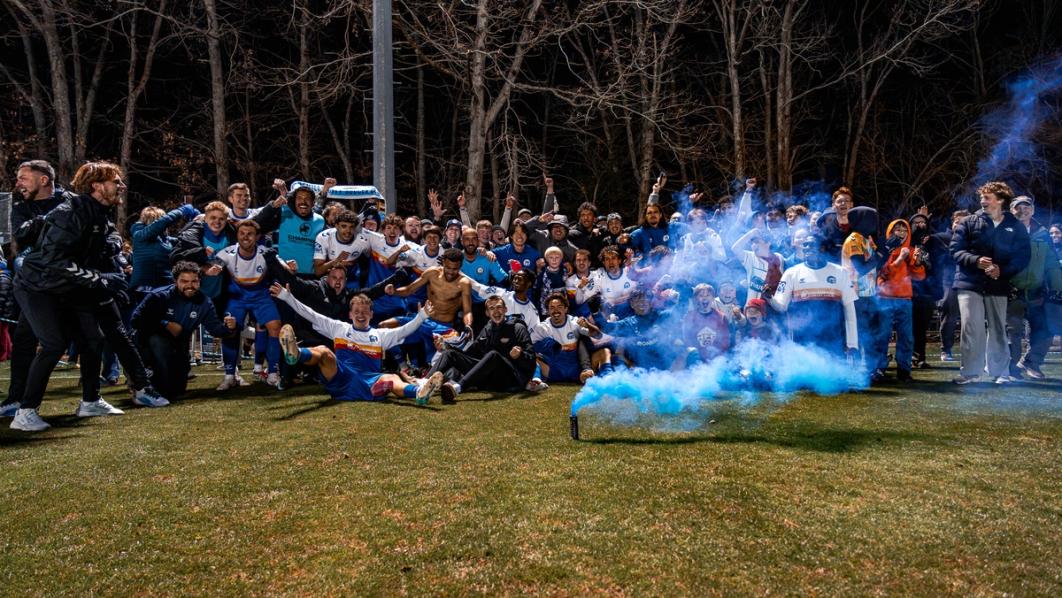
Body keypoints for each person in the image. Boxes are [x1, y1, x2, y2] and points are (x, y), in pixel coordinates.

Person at [10, 161, 164, 431]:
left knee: (93, 339)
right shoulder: (70, 212)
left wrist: (110, 256)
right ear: (97, 185)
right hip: (37, 286)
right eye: (116, 181)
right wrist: (102, 279)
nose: (122, 186)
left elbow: (106, 240)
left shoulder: (98, 212)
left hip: (66, 285)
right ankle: (24, 412)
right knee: (53, 344)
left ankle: (91, 401)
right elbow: (55, 262)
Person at [272, 285, 441, 403]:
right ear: (350, 314)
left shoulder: (379, 335)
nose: (361, 315)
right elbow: (311, 315)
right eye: (357, 312)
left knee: (392, 378)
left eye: (365, 312)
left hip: (369, 382)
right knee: (324, 352)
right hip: (341, 378)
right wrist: (287, 297)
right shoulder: (339, 328)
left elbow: (404, 330)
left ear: (371, 314)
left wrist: (422, 316)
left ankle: (419, 393)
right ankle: (296, 354)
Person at [949, 181, 1031, 385]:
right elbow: (955, 250)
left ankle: (1000, 372)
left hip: (998, 284)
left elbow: (1023, 256)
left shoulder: (1015, 226)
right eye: (982, 198)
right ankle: (970, 373)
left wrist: (1002, 270)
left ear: (1000, 200)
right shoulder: (968, 222)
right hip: (969, 283)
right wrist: (975, 260)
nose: (983, 201)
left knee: (998, 328)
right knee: (971, 327)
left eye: (987, 197)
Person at [131, 261, 239, 398]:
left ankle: (163, 381)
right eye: (184, 281)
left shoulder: (204, 302)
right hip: (147, 344)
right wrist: (166, 324)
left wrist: (230, 328)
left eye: (194, 281)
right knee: (159, 345)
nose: (190, 285)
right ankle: (143, 376)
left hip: (178, 346)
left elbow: (215, 329)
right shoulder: (159, 296)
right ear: (175, 281)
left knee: (178, 390)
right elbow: (136, 320)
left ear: (200, 281)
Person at [208, 220, 289, 390]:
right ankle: (230, 376)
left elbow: (282, 265)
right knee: (229, 329)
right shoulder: (227, 253)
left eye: (250, 234)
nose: (245, 237)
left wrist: (289, 266)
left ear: (257, 237)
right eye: (242, 233)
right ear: (237, 235)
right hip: (237, 298)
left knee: (275, 326)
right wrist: (212, 268)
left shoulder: (265, 252)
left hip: (261, 296)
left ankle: (273, 373)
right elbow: (215, 264)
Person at [429, 295, 539, 403]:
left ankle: (457, 388)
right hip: (489, 380)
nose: (496, 311)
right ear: (487, 313)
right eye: (492, 308)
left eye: (499, 307)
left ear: (505, 309)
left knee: (493, 355)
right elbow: (469, 355)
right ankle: (422, 385)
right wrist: (445, 347)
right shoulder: (487, 329)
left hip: (511, 380)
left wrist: (520, 355)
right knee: (450, 354)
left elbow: (532, 361)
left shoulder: (517, 328)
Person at [769, 234, 858, 357]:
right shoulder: (791, 273)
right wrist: (769, 297)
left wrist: (852, 343)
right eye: (805, 245)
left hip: (833, 340)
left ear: (822, 248)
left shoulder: (840, 272)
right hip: (803, 342)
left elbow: (850, 310)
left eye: (811, 244)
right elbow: (781, 306)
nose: (806, 248)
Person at [1005, 196, 1061, 380]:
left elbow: (1052, 262)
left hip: (1037, 292)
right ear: (1011, 210)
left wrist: (1058, 286)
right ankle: (1012, 369)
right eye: (1018, 207)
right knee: (1012, 332)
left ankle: (1031, 362)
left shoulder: (1043, 233)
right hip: (1011, 291)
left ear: (1033, 210)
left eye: (1026, 207)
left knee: (1044, 330)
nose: (1023, 210)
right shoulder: (1004, 231)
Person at [873, 219, 926, 382]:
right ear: (891, 231)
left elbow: (920, 276)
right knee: (882, 335)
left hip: (905, 299)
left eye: (904, 230)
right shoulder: (884, 249)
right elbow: (882, 273)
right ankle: (879, 368)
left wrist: (917, 262)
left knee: (906, 337)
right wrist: (899, 259)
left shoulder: (910, 250)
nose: (901, 233)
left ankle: (904, 370)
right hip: (884, 299)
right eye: (898, 230)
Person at [253, 178, 326, 276]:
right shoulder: (285, 213)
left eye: (307, 199)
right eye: (299, 198)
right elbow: (256, 225)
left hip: (310, 276)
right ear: (294, 202)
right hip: (284, 272)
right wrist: (273, 206)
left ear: (313, 203)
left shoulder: (320, 220)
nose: (303, 202)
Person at [530, 292, 599, 384]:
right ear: (548, 311)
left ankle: (588, 371)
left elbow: (598, 335)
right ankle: (536, 380)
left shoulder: (574, 322)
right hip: (555, 369)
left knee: (586, 340)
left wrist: (588, 325)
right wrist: (546, 346)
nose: (556, 311)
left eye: (559, 307)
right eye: (552, 308)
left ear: (566, 309)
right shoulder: (542, 328)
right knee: (540, 347)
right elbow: (529, 347)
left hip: (575, 369)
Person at [937, 210, 968, 361]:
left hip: (968, 282)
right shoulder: (942, 238)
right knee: (949, 317)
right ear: (952, 223)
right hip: (948, 282)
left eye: (963, 221)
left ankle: (971, 351)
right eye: (957, 221)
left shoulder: (971, 239)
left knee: (970, 319)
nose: (959, 224)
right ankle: (946, 350)